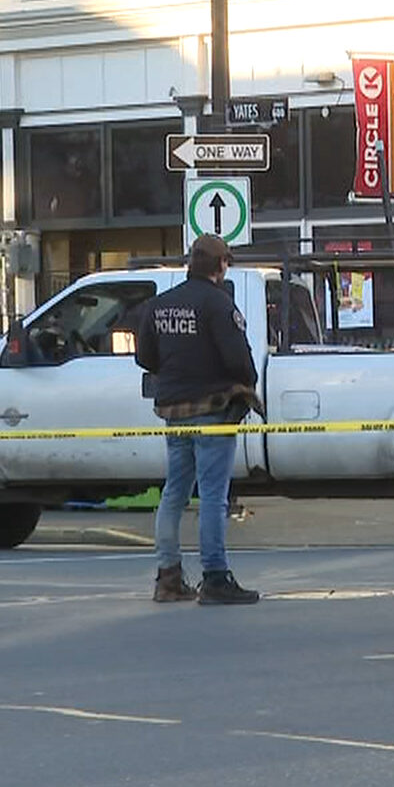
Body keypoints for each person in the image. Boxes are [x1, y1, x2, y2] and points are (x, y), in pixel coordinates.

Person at [134, 234, 263, 605]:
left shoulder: (159, 306)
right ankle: (215, 578)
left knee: (174, 492)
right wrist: (246, 386)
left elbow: (145, 357)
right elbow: (239, 360)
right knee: (212, 496)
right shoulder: (218, 305)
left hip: (174, 413)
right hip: (213, 410)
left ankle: (168, 577)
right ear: (221, 264)